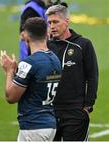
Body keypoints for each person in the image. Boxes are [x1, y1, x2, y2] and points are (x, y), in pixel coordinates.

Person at [0, 17, 61, 141]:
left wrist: (10, 71)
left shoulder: (29, 63)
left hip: (33, 127)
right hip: (50, 125)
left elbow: (11, 97)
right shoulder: (55, 59)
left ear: (26, 37)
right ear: (47, 34)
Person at [46, 4, 99, 141]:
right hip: (50, 112)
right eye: (49, 22)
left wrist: (88, 106)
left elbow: (92, 76)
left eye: (55, 22)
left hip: (75, 112)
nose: (52, 26)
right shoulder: (46, 46)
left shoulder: (83, 45)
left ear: (67, 22)